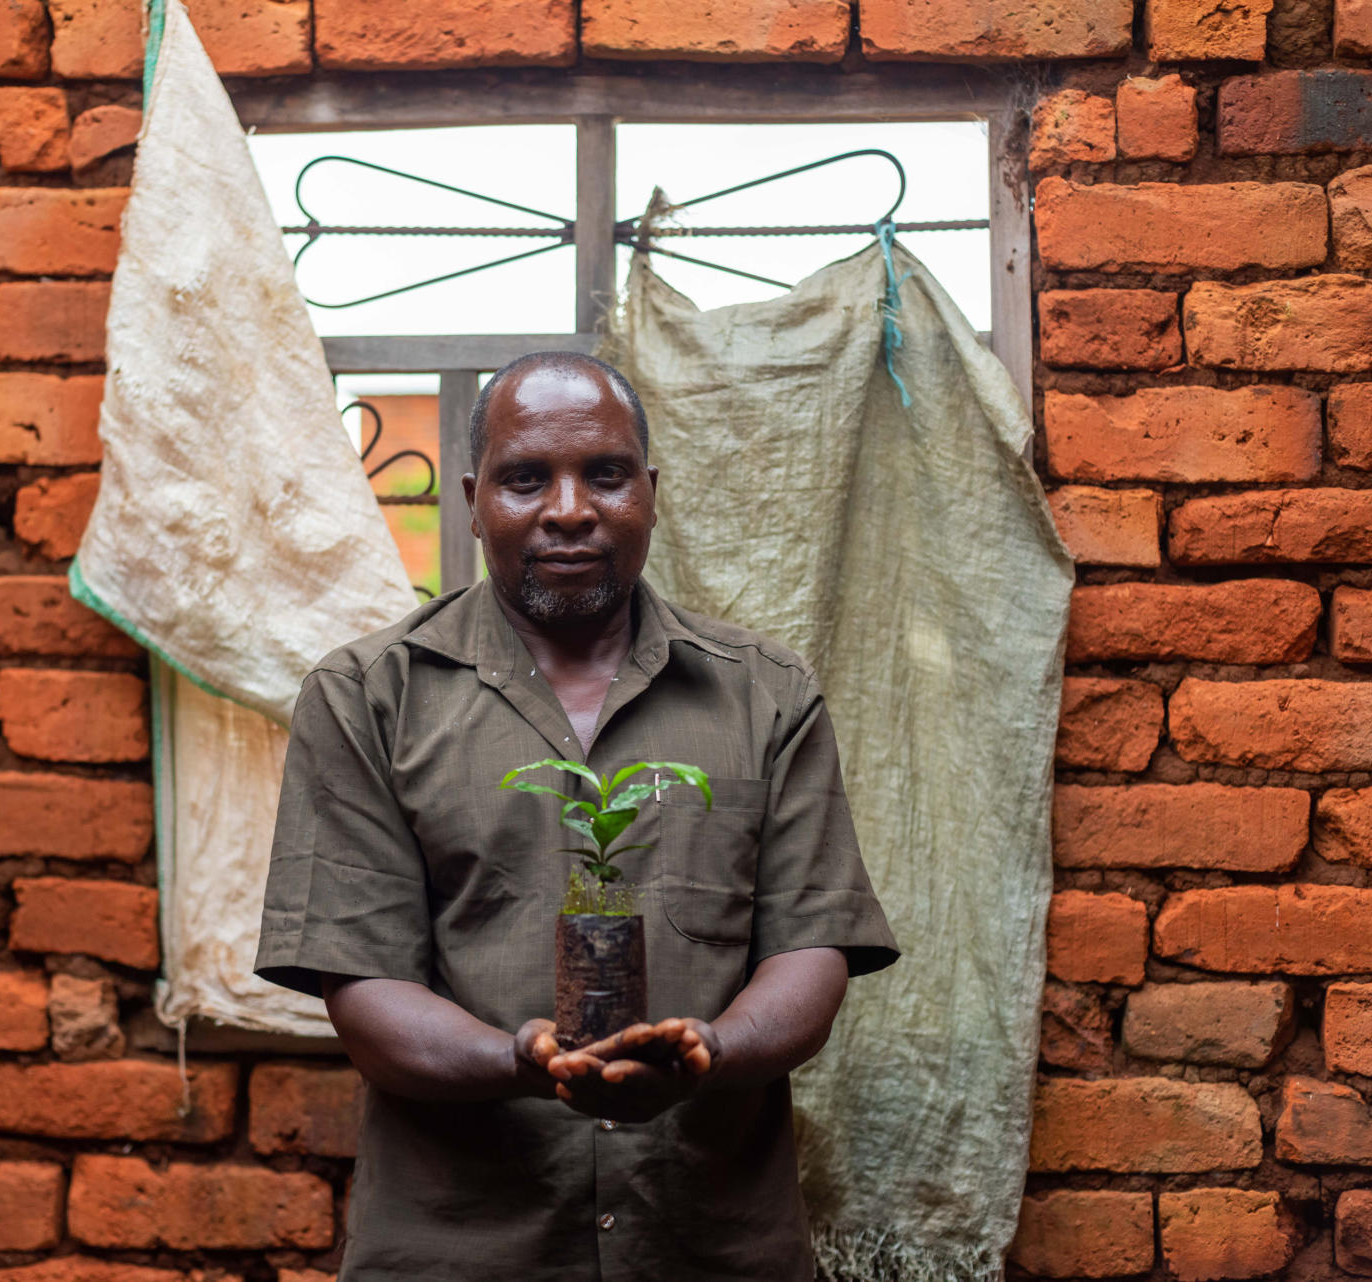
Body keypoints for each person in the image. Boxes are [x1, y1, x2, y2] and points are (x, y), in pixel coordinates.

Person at [256, 350, 897, 1281]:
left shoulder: (766, 694)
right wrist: (522, 1061)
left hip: (711, 1248)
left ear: (650, 491)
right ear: (475, 501)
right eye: (525, 479)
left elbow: (813, 951)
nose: (567, 509)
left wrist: (710, 1050)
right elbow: (364, 993)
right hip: (461, 1252)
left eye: (604, 474)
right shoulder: (369, 697)